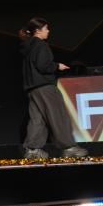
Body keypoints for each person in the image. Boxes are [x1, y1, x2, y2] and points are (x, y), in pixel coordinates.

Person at [20, 17, 87, 160]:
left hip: (33, 89)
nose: (48, 31)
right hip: (45, 87)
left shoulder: (28, 47)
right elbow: (43, 66)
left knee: (38, 119)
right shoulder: (40, 45)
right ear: (38, 31)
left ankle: (32, 150)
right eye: (46, 28)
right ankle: (69, 147)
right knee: (58, 116)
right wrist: (57, 66)